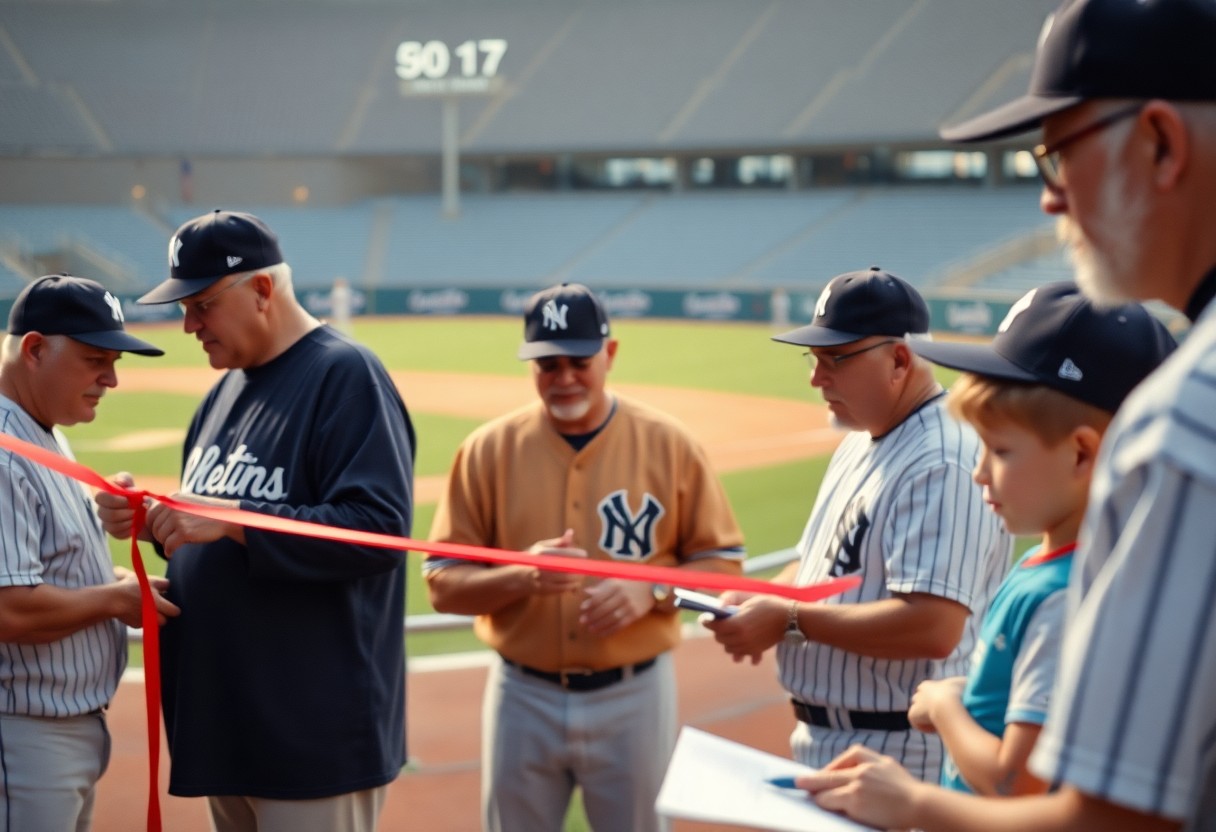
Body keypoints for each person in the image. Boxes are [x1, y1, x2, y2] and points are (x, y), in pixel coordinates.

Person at [802, 1, 1216, 829]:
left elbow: (1112, 817)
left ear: (1162, 144)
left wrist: (916, 804)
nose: (1050, 202)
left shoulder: (1186, 423)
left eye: (1058, 157)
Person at [94, 210, 416, 832]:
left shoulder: (344, 373)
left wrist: (234, 518)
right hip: (234, 731)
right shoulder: (221, 395)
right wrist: (157, 524)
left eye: (203, 304)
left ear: (263, 290)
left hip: (311, 740)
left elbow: (377, 531)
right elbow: (217, 534)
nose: (189, 325)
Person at [424, 282, 745, 832]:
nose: (565, 377)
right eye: (548, 364)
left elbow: (724, 566)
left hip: (634, 695)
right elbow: (441, 583)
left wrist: (651, 588)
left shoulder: (669, 443)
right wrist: (521, 576)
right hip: (521, 695)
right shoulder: (487, 450)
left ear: (610, 354)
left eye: (579, 361)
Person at [704, 266, 1011, 783]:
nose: (815, 378)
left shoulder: (942, 458)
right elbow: (818, 567)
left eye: (834, 360)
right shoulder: (862, 437)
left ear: (898, 359)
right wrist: (761, 600)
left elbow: (933, 625)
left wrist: (788, 619)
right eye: (815, 358)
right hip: (837, 741)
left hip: (903, 753)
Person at [890, 283, 1174, 807]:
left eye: (999, 450)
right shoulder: (1070, 566)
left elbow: (1015, 781)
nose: (978, 474)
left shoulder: (1063, 595)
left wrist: (945, 704)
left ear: (1082, 456)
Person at [0, 274, 178, 830]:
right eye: (95, 359)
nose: (112, 379)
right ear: (35, 350)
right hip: (23, 735)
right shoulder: (4, 454)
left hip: (55, 732)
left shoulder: (39, 427)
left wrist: (100, 524)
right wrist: (117, 599)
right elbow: (9, 608)